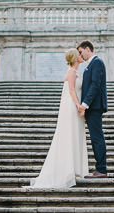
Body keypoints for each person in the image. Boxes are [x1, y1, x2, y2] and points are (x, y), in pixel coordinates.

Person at [29, 48, 89, 188]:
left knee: (74, 134)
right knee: (70, 134)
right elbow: (72, 90)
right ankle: (70, 169)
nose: (81, 56)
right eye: (78, 54)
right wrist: (79, 106)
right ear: (75, 58)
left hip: (73, 105)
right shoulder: (72, 72)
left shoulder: (74, 72)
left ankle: (74, 168)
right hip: (71, 106)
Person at [77, 40, 108, 178]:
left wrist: (85, 104)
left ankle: (101, 169)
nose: (80, 55)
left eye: (81, 51)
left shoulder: (97, 62)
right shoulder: (91, 64)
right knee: (95, 137)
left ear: (87, 49)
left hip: (94, 107)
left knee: (97, 138)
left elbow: (95, 85)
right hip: (92, 107)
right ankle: (99, 168)